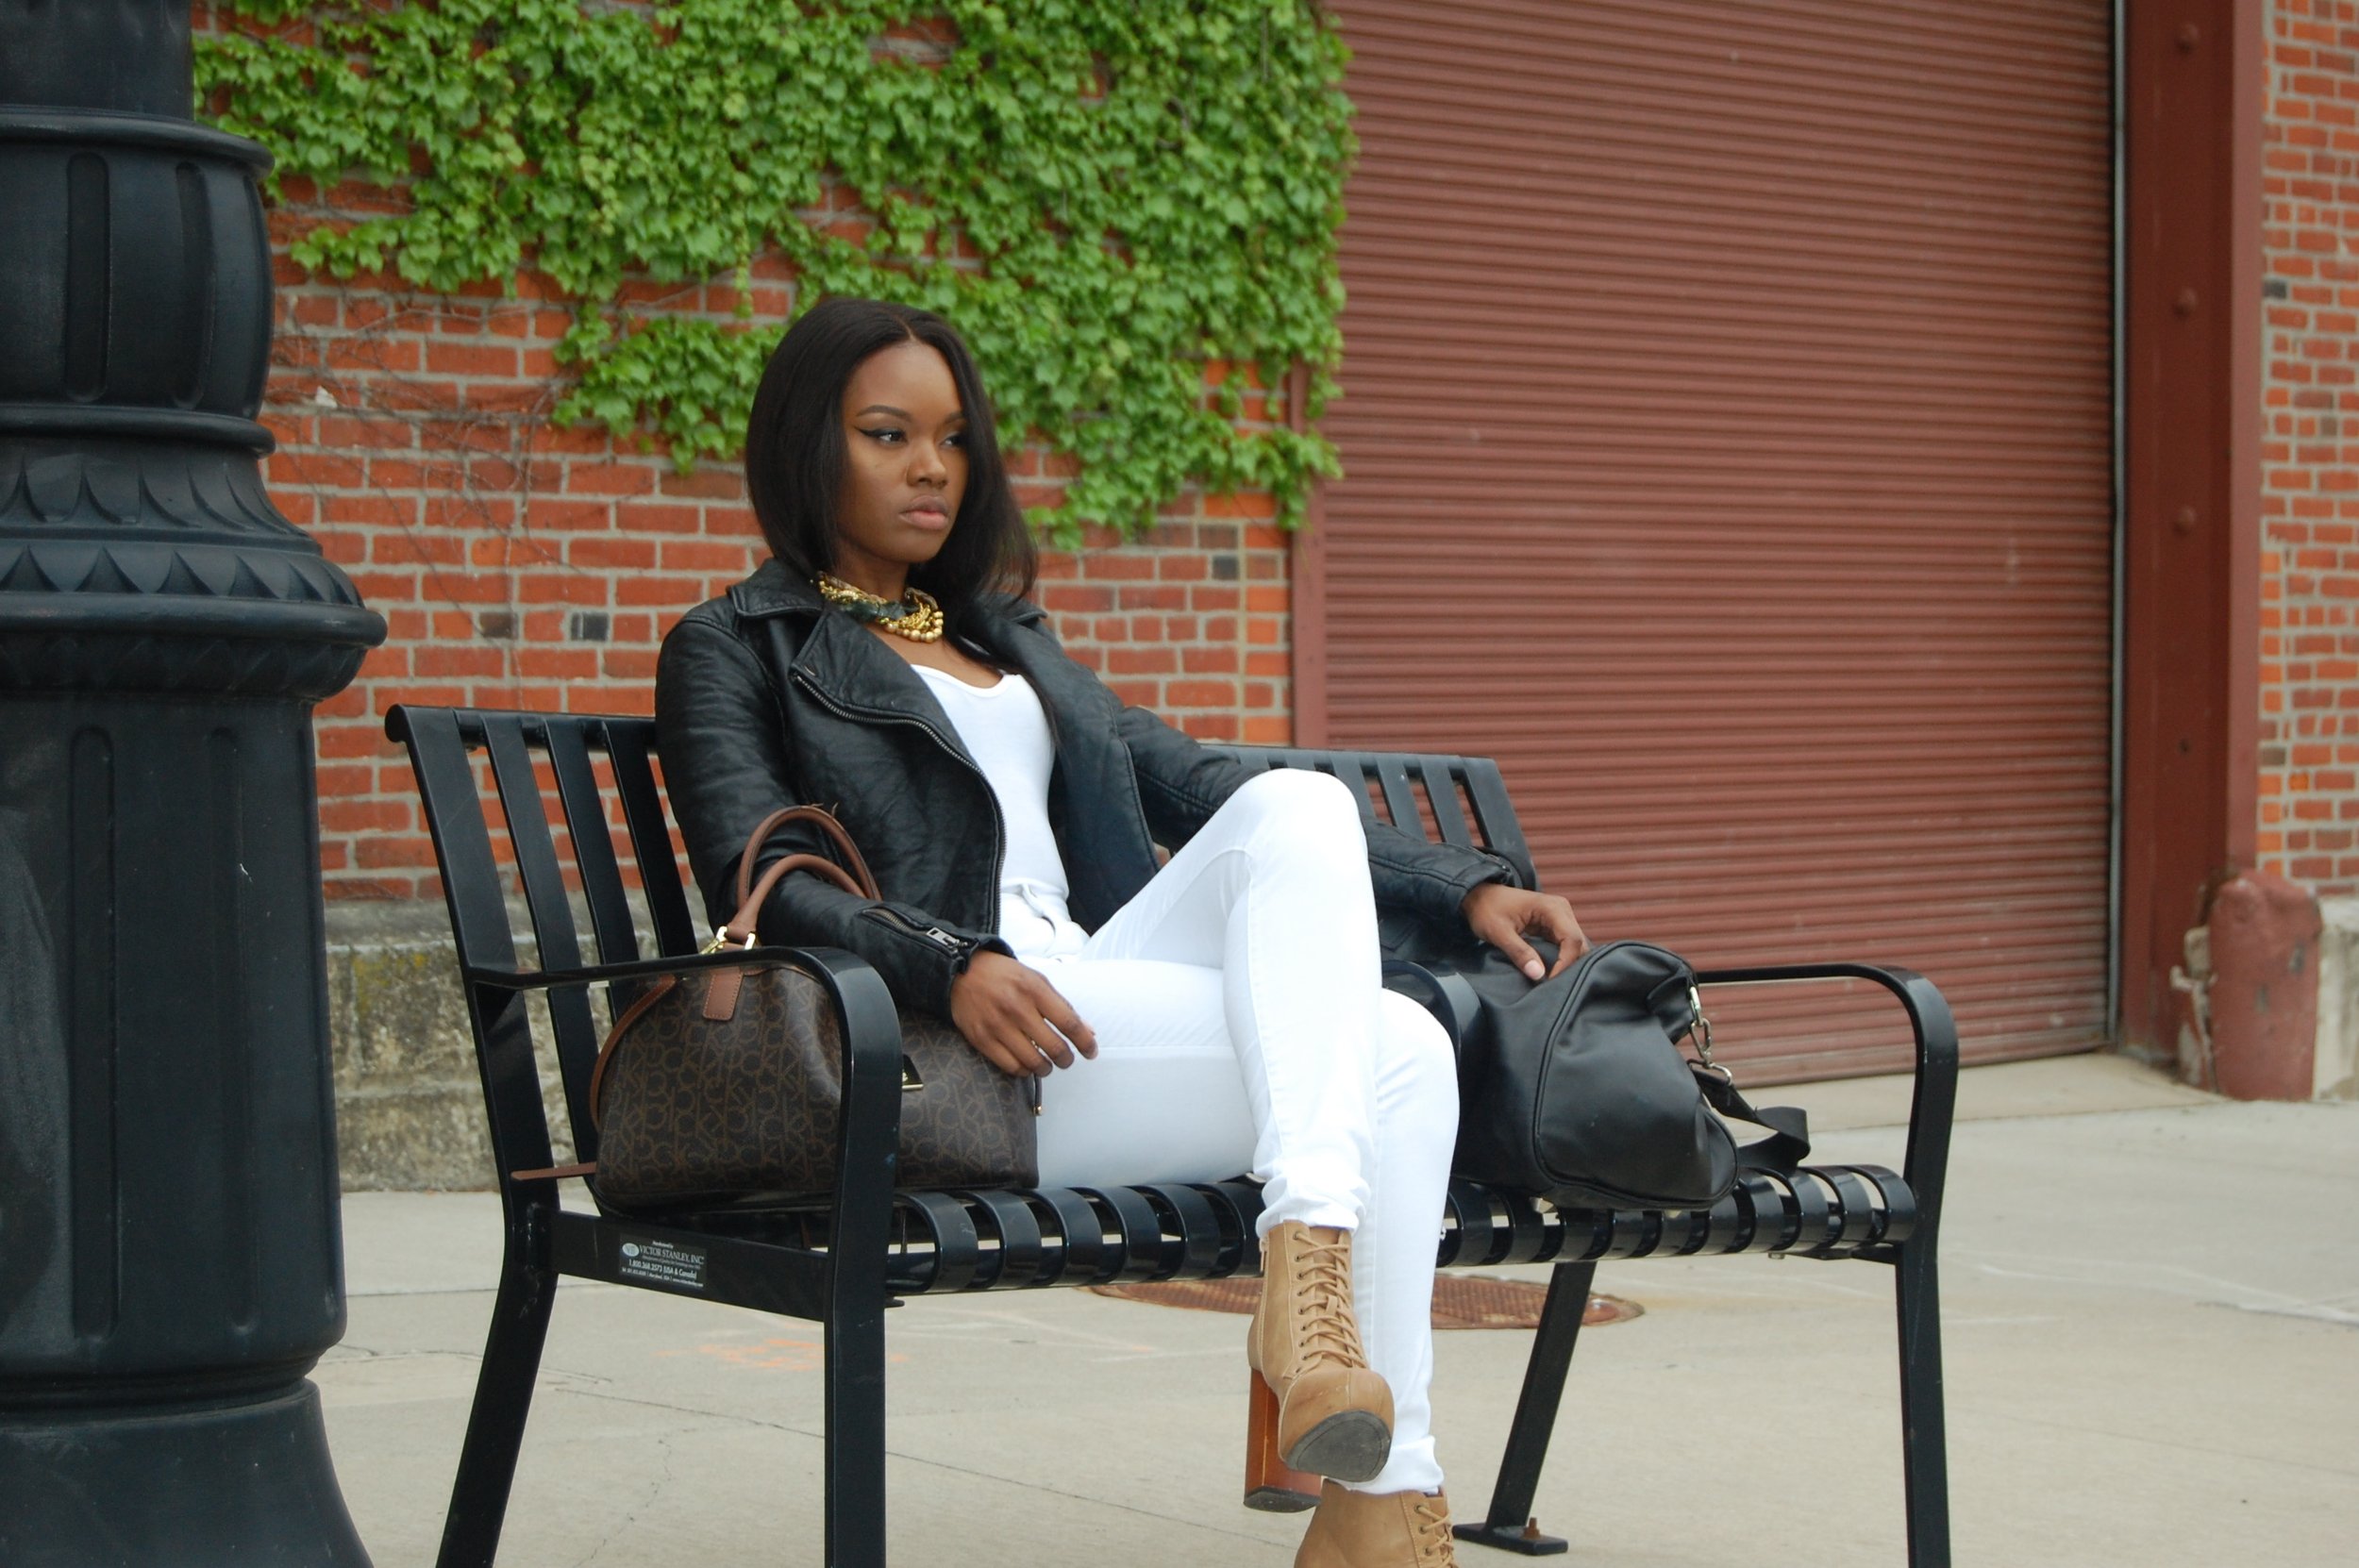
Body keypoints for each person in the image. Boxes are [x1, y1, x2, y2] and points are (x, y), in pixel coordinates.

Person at [655, 297, 1588, 1568]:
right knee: (1401, 1052)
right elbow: (755, 867)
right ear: (807, 446)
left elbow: (1198, 780)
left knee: (1309, 837)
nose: (932, 466)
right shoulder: (735, 645)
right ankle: (1375, 1490)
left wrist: (1459, 882)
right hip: (963, 1042)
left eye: (952, 439)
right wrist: (949, 959)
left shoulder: (1004, 637)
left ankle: (1322, 1340)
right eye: (887, 434)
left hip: (1100, 990)